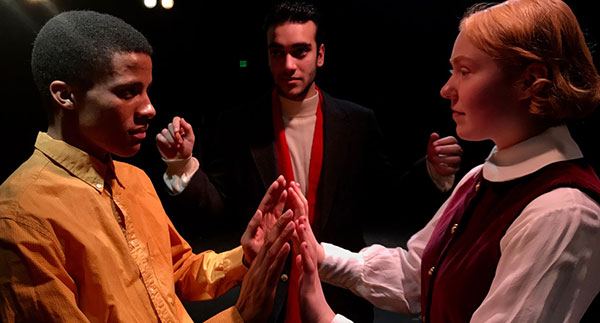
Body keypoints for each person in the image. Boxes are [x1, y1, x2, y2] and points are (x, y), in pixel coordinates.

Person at [293, 0, 600, 322]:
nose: (446, 89)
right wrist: (313, 251)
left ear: (530, 81)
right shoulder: (482, 176)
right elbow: (416, 277)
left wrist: (326, 318)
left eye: (465, 71)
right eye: (451, 71)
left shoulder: (563, 214)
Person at [156, 2, 462, 322]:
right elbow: (219, 207)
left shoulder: (357, 123)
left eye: (300, 51)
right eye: (278, 52)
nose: (288, 64)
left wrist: (430, 172)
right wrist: (182, 165)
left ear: (320, 55)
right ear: (268, 56)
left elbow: (384, 199)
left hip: (338, 294)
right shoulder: (239, 124)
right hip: (266, 296)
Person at [0, 10, 297, 323]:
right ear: (65, 95)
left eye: (146, 89)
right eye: (128, 91)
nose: (149, 108)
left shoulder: (134, 178)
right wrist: (238, 318)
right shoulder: (20, 216)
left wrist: (246, 254)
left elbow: (179, 270)